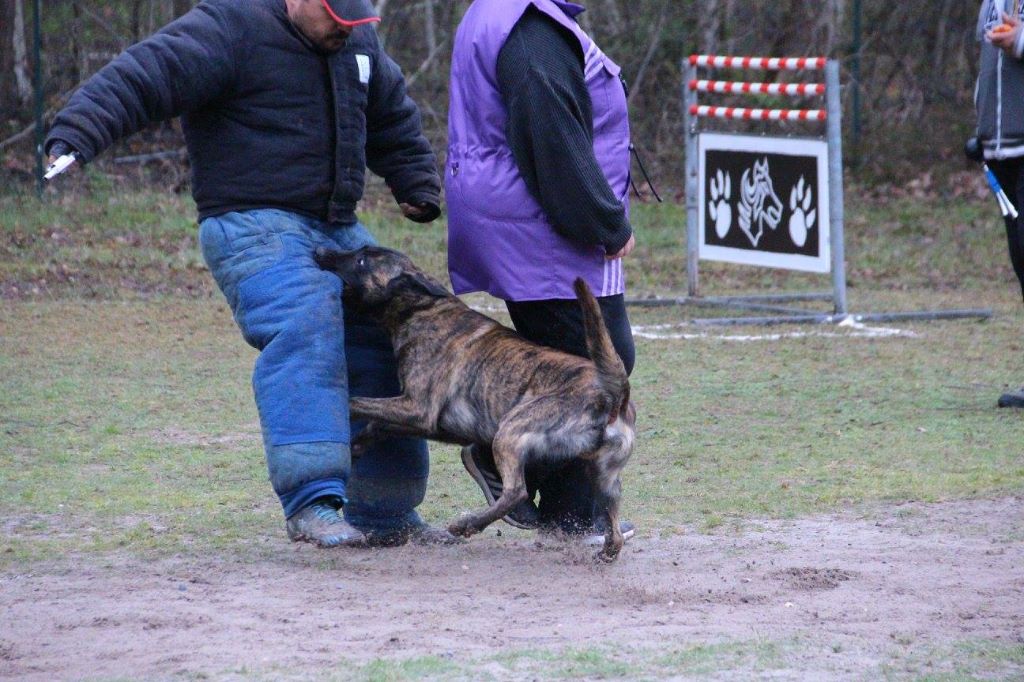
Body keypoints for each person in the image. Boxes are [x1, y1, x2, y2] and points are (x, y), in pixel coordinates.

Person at [44, 0, 457, 546]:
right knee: (306, 323)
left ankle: (386, 511)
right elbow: (147, 73)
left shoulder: (356, 42)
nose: (344, 28)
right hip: (249, 222)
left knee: (393, 326)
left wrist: (415, 182)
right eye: (335, 16)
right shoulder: (229, 26)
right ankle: (312, 503)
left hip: (334, 225)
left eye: (355, 20)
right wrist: (78, 130)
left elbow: (389, 112)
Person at [446, 0, 637, 542]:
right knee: (594, 369)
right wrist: (605, 220)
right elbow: (553, 140)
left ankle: (557, 503)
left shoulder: (513, 15)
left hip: (520, 220)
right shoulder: (529, 31)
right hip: (540, 225)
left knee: (582, 363)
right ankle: (565, 512)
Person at [976, 2, 1024, 408]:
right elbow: (988, 68)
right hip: (1002, 147)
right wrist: (982, 129)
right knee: (1022, 260)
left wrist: (1020, 39)